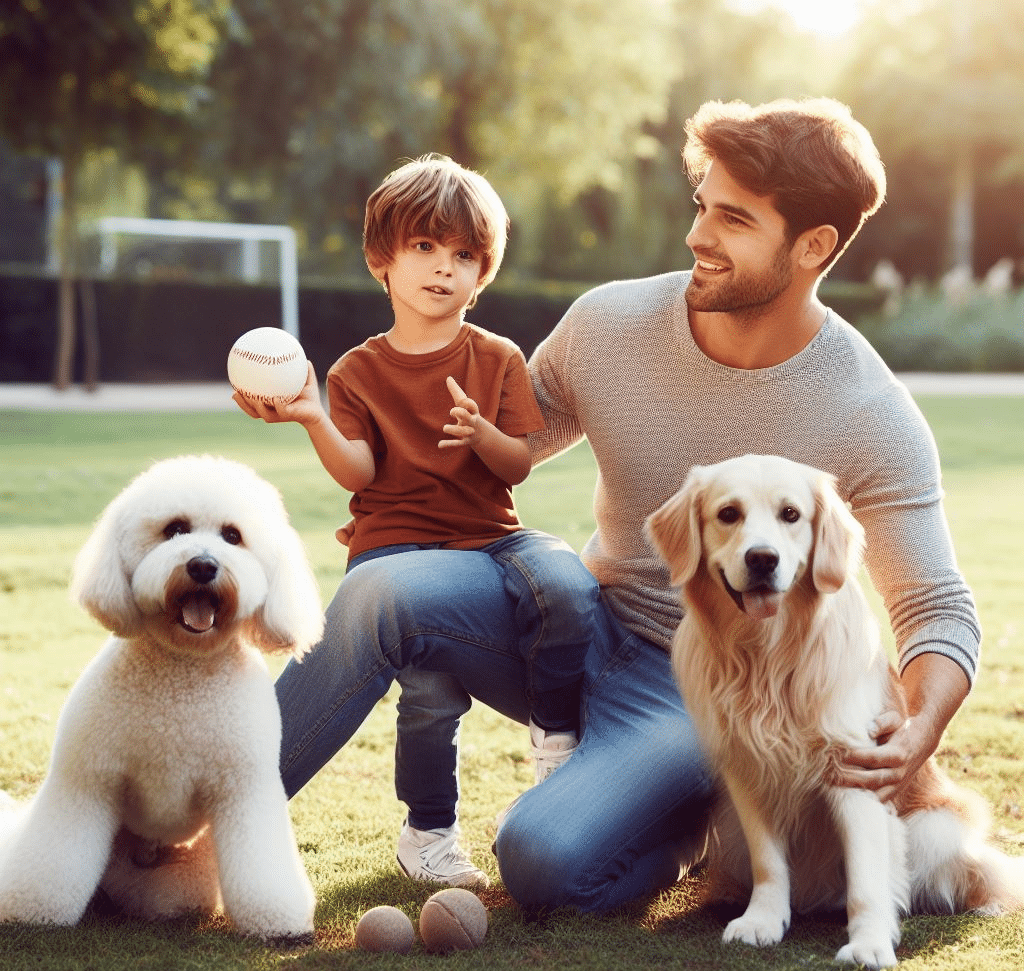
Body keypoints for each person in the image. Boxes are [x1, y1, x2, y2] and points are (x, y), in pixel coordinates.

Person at [269, 97, 980, 915]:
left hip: (695, 690)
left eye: (734, 220)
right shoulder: (609, 323)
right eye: (701, 206)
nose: (698, 237)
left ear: (813, 246)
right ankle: (210, 815)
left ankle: (677, 823)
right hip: (572, 625)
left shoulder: (868, 412)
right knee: (376, 593)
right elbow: (496, 446)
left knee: (540, 863)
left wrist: (920, 727)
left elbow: (936, 606)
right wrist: (341, 427)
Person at [233, 154, 598, 889]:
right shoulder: (359, 371)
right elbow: (359, 472)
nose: (444, 269)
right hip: (394, 551)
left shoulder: (495, 356)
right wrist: (311, 416)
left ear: (483, 272)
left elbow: (517, 467)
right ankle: (428, 832)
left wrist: (482, 436)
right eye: (425, 248)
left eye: (465, 255)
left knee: (563, 575)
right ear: (382, 261)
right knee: (430, 698)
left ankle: (555, 738)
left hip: (491, 541)